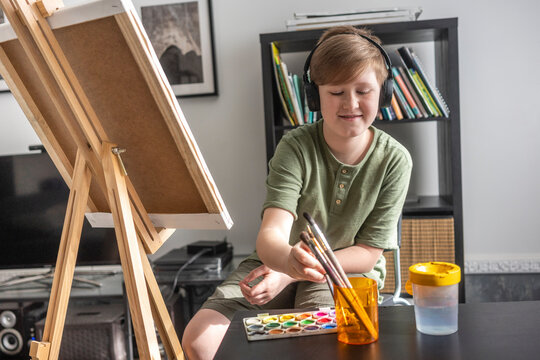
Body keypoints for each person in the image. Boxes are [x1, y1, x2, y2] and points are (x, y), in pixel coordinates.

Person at [182, 25, 412, 360]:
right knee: (198, 341)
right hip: (279, 260)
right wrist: (288, 263)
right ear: (313, 95)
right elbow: (271, 234)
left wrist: (290, 275)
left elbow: (367, 255)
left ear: (384, 91)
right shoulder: (295, 146)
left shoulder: (395, 160)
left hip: (346, 273)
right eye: (336, 93)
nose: (351, 103)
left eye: (364, 91)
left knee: (315, 344)